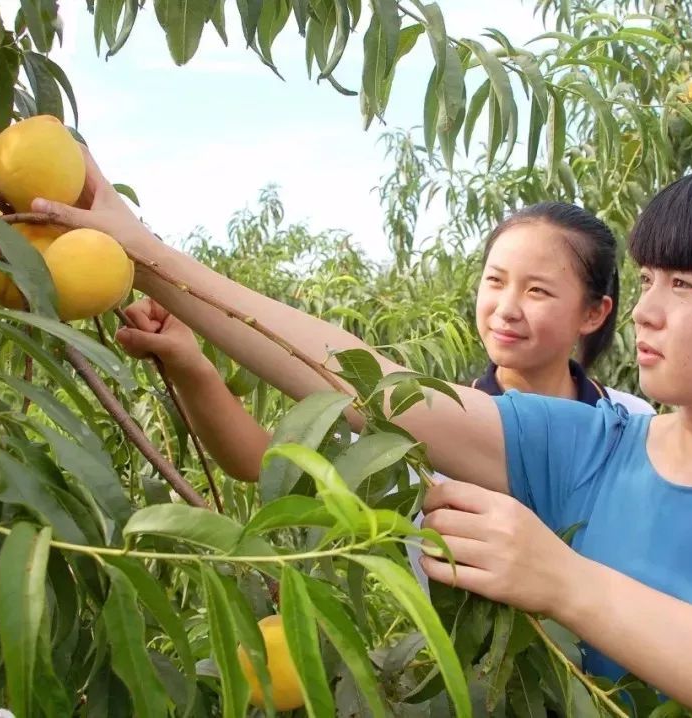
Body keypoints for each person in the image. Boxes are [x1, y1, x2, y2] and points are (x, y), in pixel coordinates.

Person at [35, 159, 692, 716]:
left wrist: (567, 582)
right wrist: (144, 251)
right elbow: (371, 385)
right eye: (651, 279)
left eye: (689, 287)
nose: (650, 313)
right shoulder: (584, 447)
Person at [111, 201, 654, 588]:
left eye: (537, 290)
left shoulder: (631, 422)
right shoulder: (426, 422)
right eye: (495, 281)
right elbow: (260, 460)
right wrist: (191, 365)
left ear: (594, 312)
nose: (507, 307)